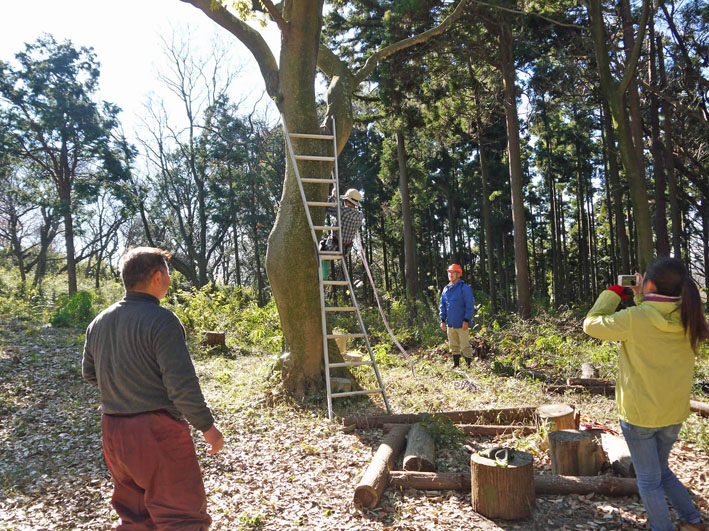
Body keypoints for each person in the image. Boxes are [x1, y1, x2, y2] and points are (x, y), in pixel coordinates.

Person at [82, 246, 224, 530]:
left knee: (135, 517)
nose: (170, 279)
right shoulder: (162, 320)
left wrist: (124, 387)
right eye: (168, 273)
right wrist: (208, 427)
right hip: (157, 433)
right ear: (158, 277)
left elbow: (90, 373)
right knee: (181, 517)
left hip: (113, 433)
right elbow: (181, 386)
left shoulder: (98, 322)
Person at [583, 257, 708, 531]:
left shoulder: (634, 319)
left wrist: (614, 292)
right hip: (673, 413)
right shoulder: (690, 315)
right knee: (660, 471)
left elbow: (591, 324)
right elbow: (654, 315)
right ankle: (693, 520)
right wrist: (644, 297)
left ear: (648, 283)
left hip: (639, 415)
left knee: (649, 480)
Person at [321, 187, 363, 279]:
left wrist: (333, 196)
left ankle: (322, 276)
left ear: (346, 200)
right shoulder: (360, 216)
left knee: (321, 246)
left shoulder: (342, 211)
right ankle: (323, 275)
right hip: (345, 250)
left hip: (332, 246)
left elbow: (328, 208)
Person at [439, 264, 475, 368]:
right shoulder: (446, 289)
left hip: (462, 323)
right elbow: (443, 306)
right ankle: (456, 365)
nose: (450, 274)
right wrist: (442, 320)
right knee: (453, 345)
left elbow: (469, 305)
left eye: (452, 272)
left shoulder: (464, 288)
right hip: (451, 323)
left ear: (458, 274)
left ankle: (469, 365)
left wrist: (466, 320)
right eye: (449, 272)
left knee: (465, 345)